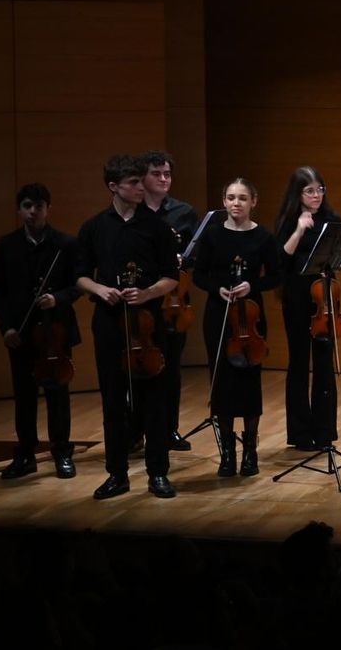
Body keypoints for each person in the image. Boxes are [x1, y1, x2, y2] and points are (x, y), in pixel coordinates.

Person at [75, 155, 181, 499]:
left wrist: (147, 292)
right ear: (113, 187)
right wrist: (101, 289)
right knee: (113, 402)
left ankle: (158, 474)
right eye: (133, 183)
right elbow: (78, 276)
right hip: (108, 322)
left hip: (148, 323)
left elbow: (171, 277)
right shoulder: (94, 228)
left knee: (155, 400)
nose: (141, 187)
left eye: (141, 181)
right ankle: (117, 474)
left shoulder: (156, 227)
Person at [191, 178, 283, 477]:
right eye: (230, 197)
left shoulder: (264, 238)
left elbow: (275, 276)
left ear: (253, 201)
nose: (236, 203)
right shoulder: (213, 236)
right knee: (222, 384)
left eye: (242, 198)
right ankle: (227, 452)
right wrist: (217, 288)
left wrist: (251, 285)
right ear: (224, 200)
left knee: (249, 382)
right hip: (219, 314)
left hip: (251, 316)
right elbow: (199, 275)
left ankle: (250, 452)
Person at [0, 183, 81, 479]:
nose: (33, 212)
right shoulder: (6, 245)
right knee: (24, 396)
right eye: (27, 206)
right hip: (22, 333)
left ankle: (62, 453)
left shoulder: (65, 244)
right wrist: (7, 329)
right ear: (19, 210)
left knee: (58, 395)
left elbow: (77, 285)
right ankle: (26, 454)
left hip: (55, 332)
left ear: (48, 209)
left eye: (39, 206)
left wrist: (58, 298)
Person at [273, 166, 341, 450]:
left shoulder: (331, 219)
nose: (317, 195)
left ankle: (325, 430)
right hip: (297, 299)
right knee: (300, 362)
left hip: (324, 299)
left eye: (320, 189)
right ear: (298, 194)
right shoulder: (289, 220)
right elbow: (281, 259)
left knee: (325, 364)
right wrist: (300, 230)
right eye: (310, 191)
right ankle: (300, 433)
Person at [139, 151, 198, 452]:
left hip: (174, 304)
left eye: (167, 174)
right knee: (142, 366)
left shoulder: (184, 213)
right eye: (156, 173)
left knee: (172, 368)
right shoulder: (134, 213)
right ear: (143, 178)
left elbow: (198, 254)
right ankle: (138, 431)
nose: (163, 179)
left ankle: (169, 429)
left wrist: (183, 259)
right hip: (143, 301)